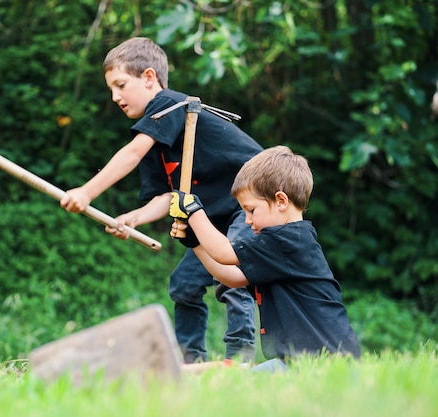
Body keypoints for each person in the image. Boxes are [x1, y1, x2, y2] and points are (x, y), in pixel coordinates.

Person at [59, 37, 263, 363]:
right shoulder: (158, 142)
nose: (115, 97)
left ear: (150, 78)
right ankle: (190, 361)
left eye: (121, 85)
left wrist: (87, 191)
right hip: (209, 220)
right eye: (111, 89)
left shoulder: (168, 105)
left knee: (232, 274)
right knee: (183, 285)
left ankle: (239, 360)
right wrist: (135, 218)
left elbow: (131, 153)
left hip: (250, 204)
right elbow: (167, 196)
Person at [170, 145, 362, 371]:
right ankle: (175, 373)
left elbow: (223, 252)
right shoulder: (282, 245)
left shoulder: (288, 240)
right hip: (296, 362)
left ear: (281, 201)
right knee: (234, 378)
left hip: (324, 363)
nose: (248, 220)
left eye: (251, 210)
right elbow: (231, 277)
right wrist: (195, 242)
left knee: (240, 384)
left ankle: (177, 373)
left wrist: (193, 211)